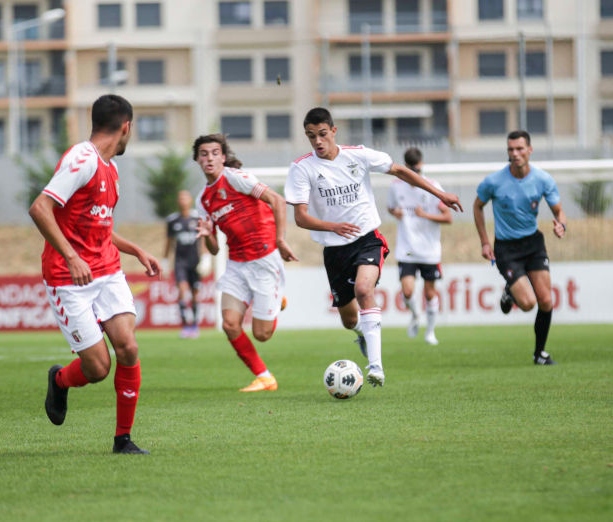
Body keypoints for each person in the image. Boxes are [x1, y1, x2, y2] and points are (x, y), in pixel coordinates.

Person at [284, 107, 462, 387]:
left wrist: (440, 194)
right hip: (334, 249)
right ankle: (363, 333)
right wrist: (333, 227)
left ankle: (376, 367)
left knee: (364, 290)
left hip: (367, 238)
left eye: (321, 134)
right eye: (310, 137)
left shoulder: (359, 155)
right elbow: (300, 217)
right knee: (348, 318)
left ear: (333, 131)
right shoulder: (302, 168)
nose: (317, 142)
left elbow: (401, 171)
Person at [29, 94, 161, 455]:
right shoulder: (82, 160)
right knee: (99, 368)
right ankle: (60, 379)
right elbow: (40, 208)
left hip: (106, 271)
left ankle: (123, 439)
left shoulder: (110, 167)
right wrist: (71, 256)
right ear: (126, 127)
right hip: (68, 279)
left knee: (129, 347)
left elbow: (99, 227)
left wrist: (136, 250)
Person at [193, 134, 298, 392]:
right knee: (229, 324)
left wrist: (280, 240)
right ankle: (264, 377)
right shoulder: (203, 200)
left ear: (223, 156)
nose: (209, 158)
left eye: (215, 153)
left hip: (264, 259)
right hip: (237, 264)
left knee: (262, 334)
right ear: (197, 159)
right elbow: (216, 250)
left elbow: (277, 200)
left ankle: (276, 299)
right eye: (204, 154)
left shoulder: (235, 178)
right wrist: (208, 236)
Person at [473, 129, 567, 365]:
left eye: (519, 149)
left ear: (529, 150)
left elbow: (559, 211)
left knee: (546, 301)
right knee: (527, 304)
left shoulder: (543, 179)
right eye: (511, 150)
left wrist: (561, 225)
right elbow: (477, 206)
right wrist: (485, 242)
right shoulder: (493, 181)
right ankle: (510, 291)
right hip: (506, 248)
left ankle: (540, 354)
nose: (515, 154)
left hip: (534, 243)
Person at [387, 147, 452, 346]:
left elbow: (447, 217)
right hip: (406, 248)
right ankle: (416, 316)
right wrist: (395, 213)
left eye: (418, 168)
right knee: (407, 292)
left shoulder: (432, 186)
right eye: (412, 169)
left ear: (421, 165)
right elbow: (391, 207)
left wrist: (425, 215)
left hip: (429, 250)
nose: (417, 172)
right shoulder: (396, 186)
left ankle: (430, 332)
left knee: (430, 292)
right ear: (406, 167)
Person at [164, 190, 202, 339]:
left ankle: (194, 326)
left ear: (190, 200)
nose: (183, 200)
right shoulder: (173, 220)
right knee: (182, 291)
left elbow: (203, 239)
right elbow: (169, 242)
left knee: (194, 295)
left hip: (195, 261)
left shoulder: (197, 218)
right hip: (180, 262)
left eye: (185, 197)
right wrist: (165, 260)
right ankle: (186, 325)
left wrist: (205, 258)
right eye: (180, 197)